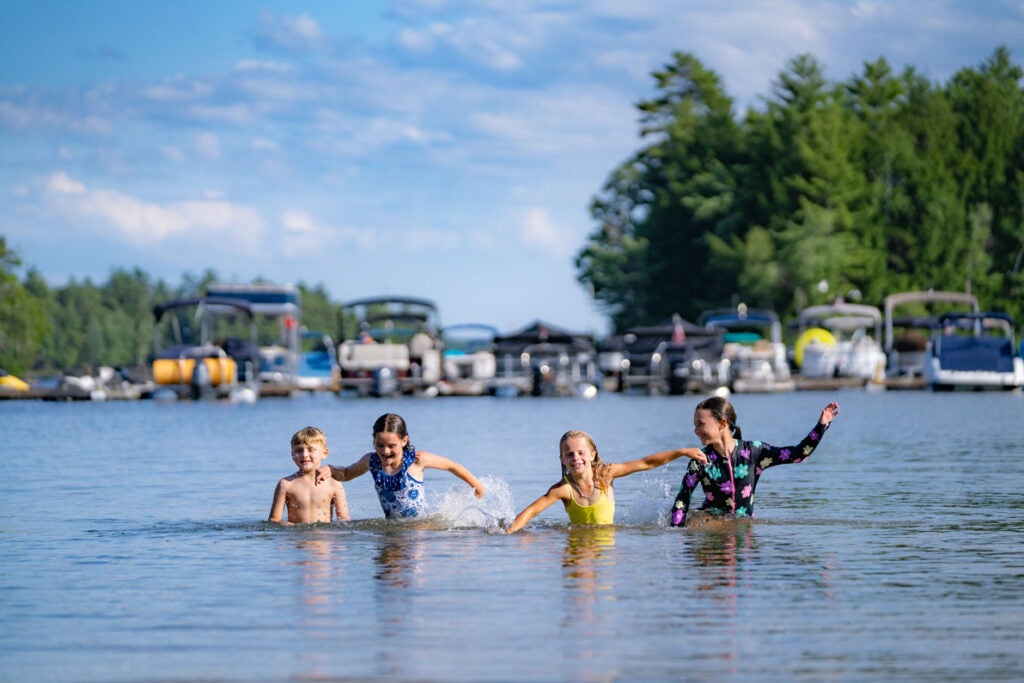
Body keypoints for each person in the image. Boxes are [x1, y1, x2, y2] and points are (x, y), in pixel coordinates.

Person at [670, 396, 839, 527]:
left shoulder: (753, 452)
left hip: (743, 529)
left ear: (722, 424)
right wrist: (676, 532)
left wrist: (821, 425)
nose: (696, 431)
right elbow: (682, 501)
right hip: (711, 526)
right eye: (695, 425)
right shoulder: (700, 461)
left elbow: (799, 454)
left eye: (700, 424)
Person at [506, 430, 707, 533]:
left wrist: (681, 452)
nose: (576, 458)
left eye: (581, 452)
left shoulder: (605, 474)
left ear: (593, 454)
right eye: (569, 454)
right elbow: (532, 510)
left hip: (605, 550)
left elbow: (645, 463)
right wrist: (511, 532)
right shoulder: (564, 489)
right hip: (578, 547)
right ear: (562, 460)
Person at [319, 413, 486, 519]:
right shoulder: (371, 461)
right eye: (379, 445)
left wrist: (476, 485)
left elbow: (451, 465)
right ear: (373, 440)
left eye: (392, 446)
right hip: (393, 529)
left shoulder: (417, 460)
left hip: (418, 528)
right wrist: (330, 469)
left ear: (404, 440)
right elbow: (347, 474)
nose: (385, 451)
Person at [269, 426, 350, 525]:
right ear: (292, 455)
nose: (304, 455)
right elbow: (274, 520)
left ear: (324, 453)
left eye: (311, 450)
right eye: (299, 450)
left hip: (325, 538)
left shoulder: (334, 483)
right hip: (296, 539)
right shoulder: (286, 484)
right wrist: (287, 526)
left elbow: (344, 519)